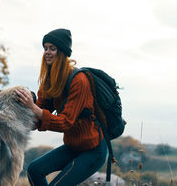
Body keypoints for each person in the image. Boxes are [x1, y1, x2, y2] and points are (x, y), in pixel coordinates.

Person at [15, 28, 108, 186]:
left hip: (93, 150)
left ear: (63, 52)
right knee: (34, 170)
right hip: (73, 146)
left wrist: (33, 108)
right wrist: (15, 114)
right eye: (45, 48)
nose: (47, 52)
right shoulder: (50, 80)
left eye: (52, 48)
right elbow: (37, 116)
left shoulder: (79, 80)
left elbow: (65, 122)